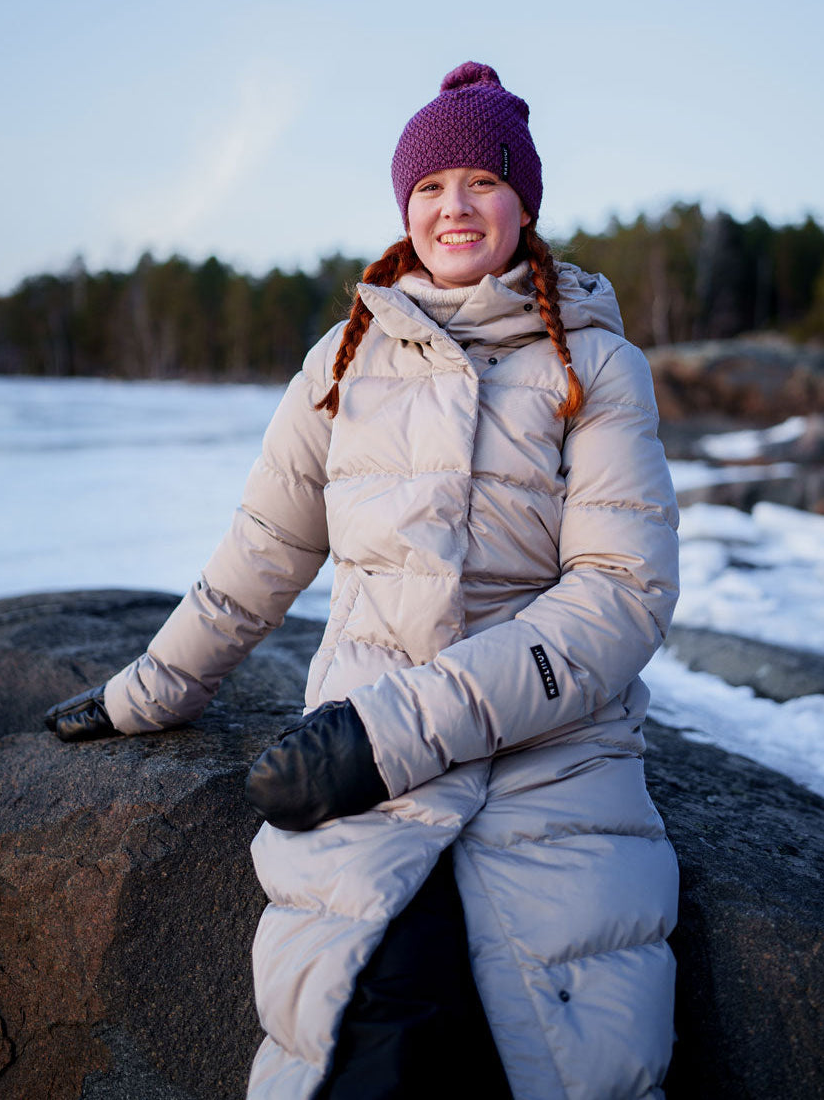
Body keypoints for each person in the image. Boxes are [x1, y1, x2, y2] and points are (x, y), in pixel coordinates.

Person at [46, 62, 681, 1099]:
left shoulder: (599, 368)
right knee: (365, 1038)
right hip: (368, 768)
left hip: (547, 756)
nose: (455, 206)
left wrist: (388, 733)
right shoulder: (342, 362)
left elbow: (620, 597)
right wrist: (146, 693)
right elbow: (260, 555)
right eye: (430, 186)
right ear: (403, 205)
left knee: (562, 1059)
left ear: (525, 201)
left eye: (482, 180)